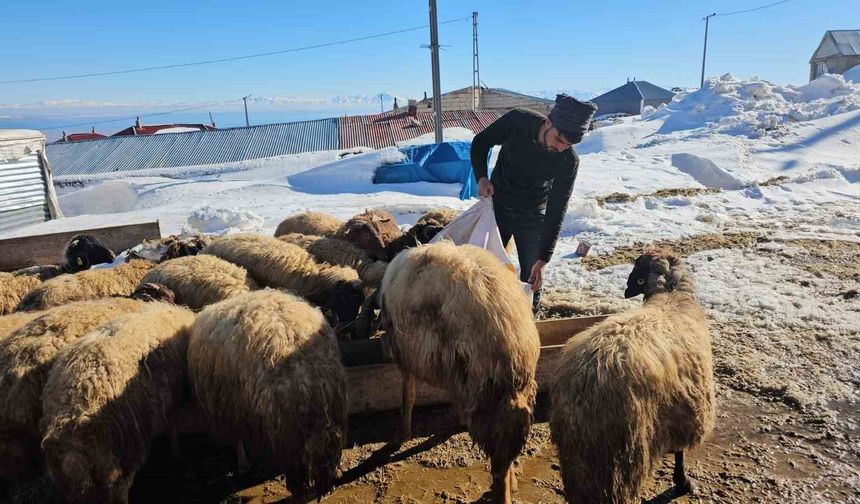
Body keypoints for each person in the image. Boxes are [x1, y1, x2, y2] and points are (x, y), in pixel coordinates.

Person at [470, 94, 597, 314]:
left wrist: (543, 259)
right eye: (558, 140)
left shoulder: (568, 161)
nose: (560, 148)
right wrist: (481, 177)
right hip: (498, 206)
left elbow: (557, 210)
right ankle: (483, 316)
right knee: (484, 269)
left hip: (532, 215)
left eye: (568, 145)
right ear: (548, 122)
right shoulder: (518, 121)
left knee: (531, 278)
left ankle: (529, 320)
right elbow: (480, 142)